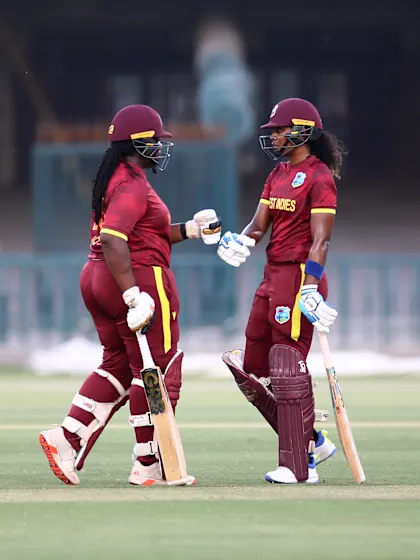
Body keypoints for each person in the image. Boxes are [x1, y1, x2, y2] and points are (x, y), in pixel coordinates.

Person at [39, 104, 222, 487]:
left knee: (119, 365)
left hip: (97, 277)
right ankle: (148, 463)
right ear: (138, 142)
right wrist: (134, 293)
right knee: (158, 369)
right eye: (155, 140)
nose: (161, 146)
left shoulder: (116, 178)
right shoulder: (131, 183)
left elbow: (142, 234)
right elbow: (113, 239)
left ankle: (68, 437)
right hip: (136, 277)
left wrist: (190, 230)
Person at [218, 97, 345, 484]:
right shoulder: (276, 174)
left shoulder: (319, 177)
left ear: (302, 132)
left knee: (287, 363)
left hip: (299, 276)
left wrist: (311, 288)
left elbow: (321, 240)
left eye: (279, 130)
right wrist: (241, 241)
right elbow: (258, 225)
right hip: (272, 274)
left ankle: (298, 466)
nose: (273, 136)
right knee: (252, 368)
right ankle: (313, 440)